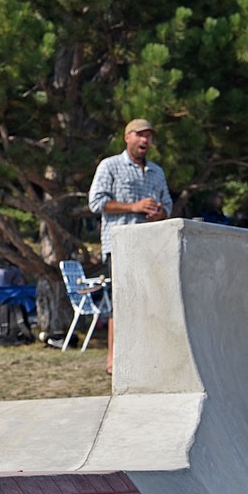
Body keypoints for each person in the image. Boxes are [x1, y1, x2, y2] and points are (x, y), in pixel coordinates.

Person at [88, 118, 173, 375]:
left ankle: (147, 358)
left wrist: (160, 213)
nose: (145, 140)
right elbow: (96, 202)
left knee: (151, 303)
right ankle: (114, 361)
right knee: (121, 303)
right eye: (140, 135)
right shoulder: (110, 166)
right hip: (120, 246)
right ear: (127, 137)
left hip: (151, 246)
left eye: (149, 136)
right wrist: (133, 207)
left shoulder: (157, 172)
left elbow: (168, 205)